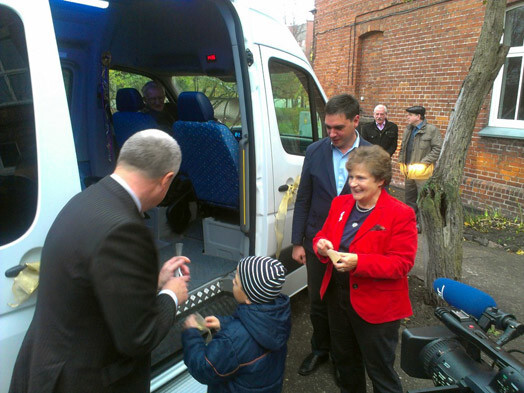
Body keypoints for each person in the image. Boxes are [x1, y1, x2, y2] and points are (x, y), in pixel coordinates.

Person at [9, 129, 191, 393]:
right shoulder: (126, 230)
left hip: (46, 368)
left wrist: (153, 282)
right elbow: (139, 337)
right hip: (82, 380)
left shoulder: (86, 200)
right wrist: (170, 294)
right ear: (167, 180)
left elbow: (97, 286)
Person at [313, 145, 418, 393]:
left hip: (377, 307)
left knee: (380, 371)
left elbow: (401, 263)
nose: (353, 184)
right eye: (351, 177)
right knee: (346, 365)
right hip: (338, 300)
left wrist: (359, 262)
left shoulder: (400, 214)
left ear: (380, 180)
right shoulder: (340, 204)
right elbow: (323, 235)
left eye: (361, 178)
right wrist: (321, 244)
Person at [291, 93, 371, 378]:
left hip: (352, 247)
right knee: (318, 303)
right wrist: (298, 241)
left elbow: (378, 206)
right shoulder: (315, 151)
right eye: (328, 127)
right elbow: (303, 199)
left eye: (339, 128)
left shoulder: (372, 156)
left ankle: (342, 359)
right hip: (316, 244)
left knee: (346, 305)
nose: (332, 134)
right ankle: (320, 349)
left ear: (356, 121)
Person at [182, 256, 291, 393]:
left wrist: (190, 334)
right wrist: (224, 323)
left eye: (237, 282)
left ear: (248, 298)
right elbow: (253, 328)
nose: (233, 281)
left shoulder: (232, 339)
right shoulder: (279, 316)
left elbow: (204, 368)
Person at [398, 105, 442, 231]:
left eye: (410, 115)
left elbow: (437, 149)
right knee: (410, 199)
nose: (408, 117)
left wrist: (424, 163)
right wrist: (401, 162)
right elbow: (403, 147)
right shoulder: (408, 129)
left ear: (418, 116)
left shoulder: (431, 130)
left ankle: (424, 225)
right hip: (409, 170)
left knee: (422, 199)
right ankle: (411, 223)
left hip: (422, 172)